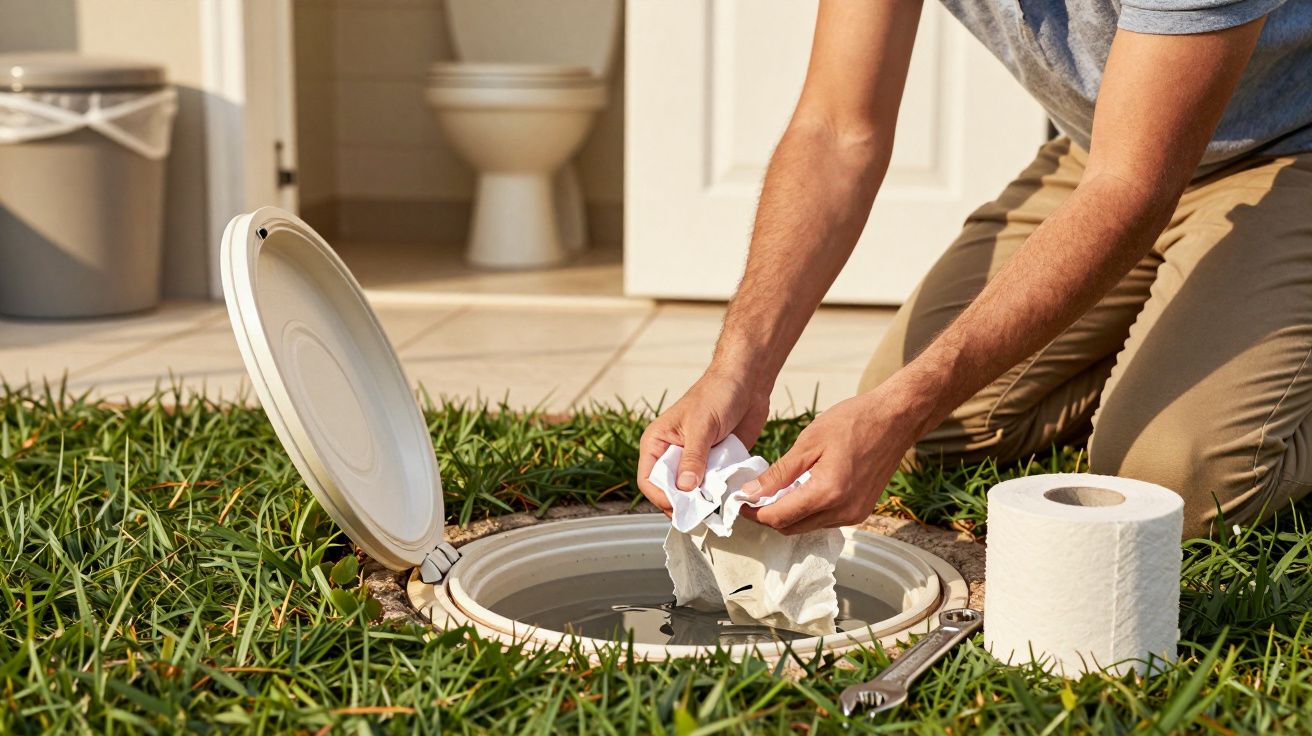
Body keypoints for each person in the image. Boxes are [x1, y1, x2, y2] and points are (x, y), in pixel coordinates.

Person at [634, 0, 1312, 540]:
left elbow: (1131, 188)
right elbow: (838, 129)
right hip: (1106, 149)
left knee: (1175, 480)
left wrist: (902, 407)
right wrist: (738, 368)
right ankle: (1200, 332)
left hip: (1285, 152)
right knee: (930, 437)